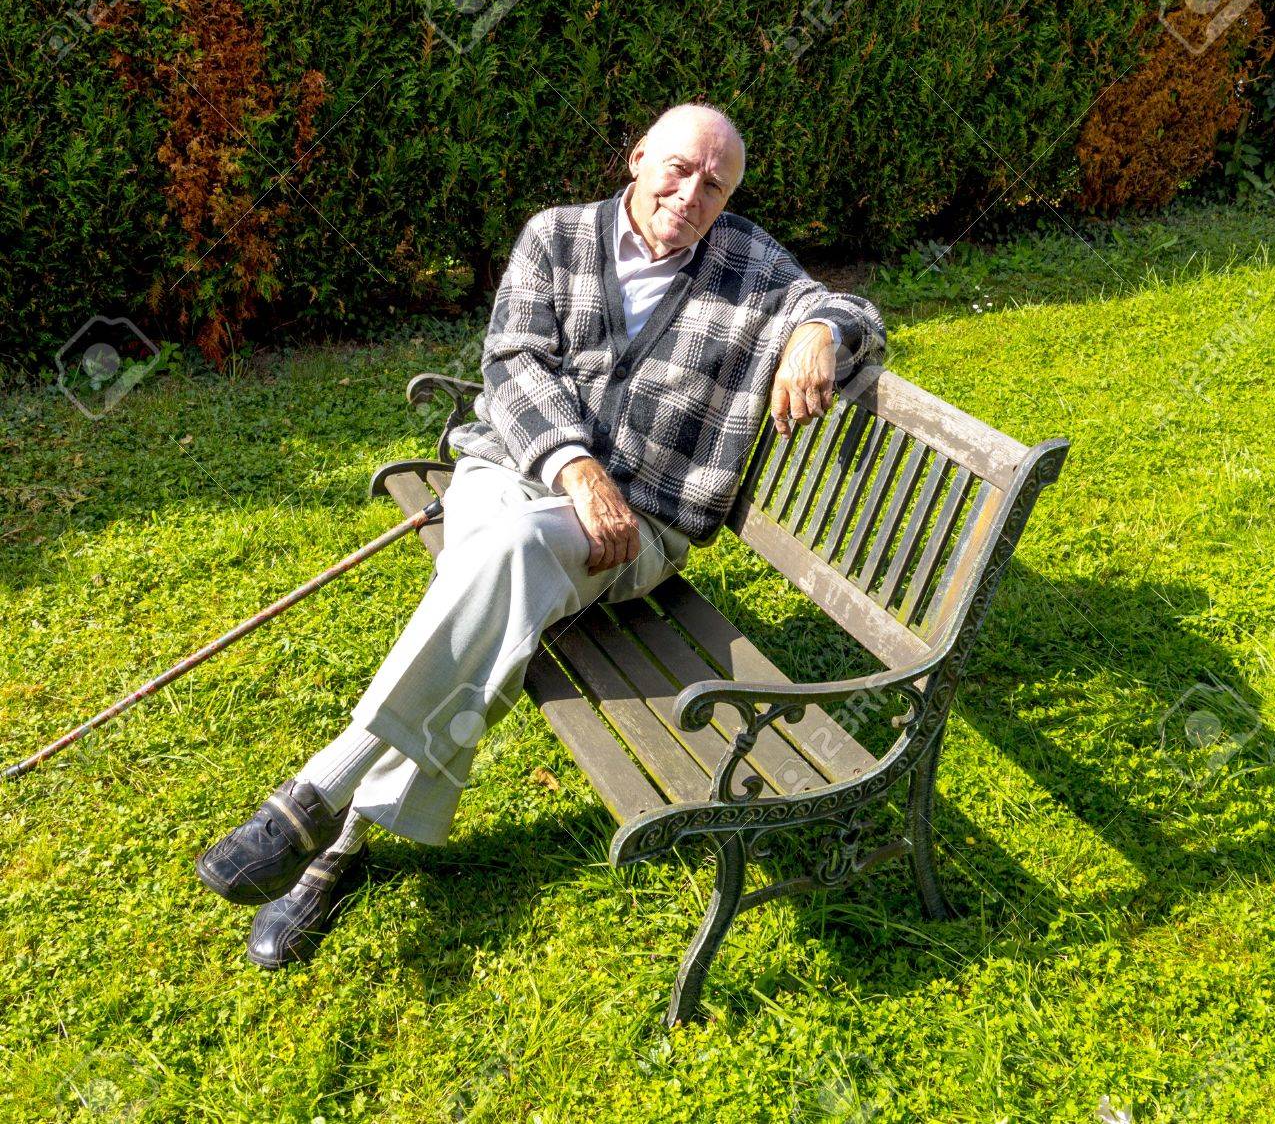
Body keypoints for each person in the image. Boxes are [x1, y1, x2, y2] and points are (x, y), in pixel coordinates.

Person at [194, 102, 887, 967]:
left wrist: (820, 331)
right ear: (637, 159)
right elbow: (512, 360)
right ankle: (339, 842)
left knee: (508, 555)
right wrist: (573, 466)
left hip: (636, 527)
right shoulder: (556, 237)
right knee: (496, 563)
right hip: (514, 468)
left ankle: (319, 804)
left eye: (715, 184)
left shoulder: (749, 264)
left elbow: (854, 309)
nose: (691, 193)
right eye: (677, 168)